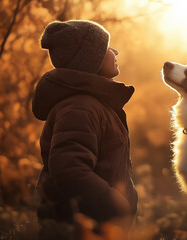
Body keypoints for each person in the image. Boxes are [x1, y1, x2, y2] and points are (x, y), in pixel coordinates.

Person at [32, 20, 138, 239]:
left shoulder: (93, 105)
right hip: (80, 231)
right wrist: (116, 204)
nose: (115, 51)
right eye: (108, 47)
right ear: (91, 58)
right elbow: (69, 170)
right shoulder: (80, 108)